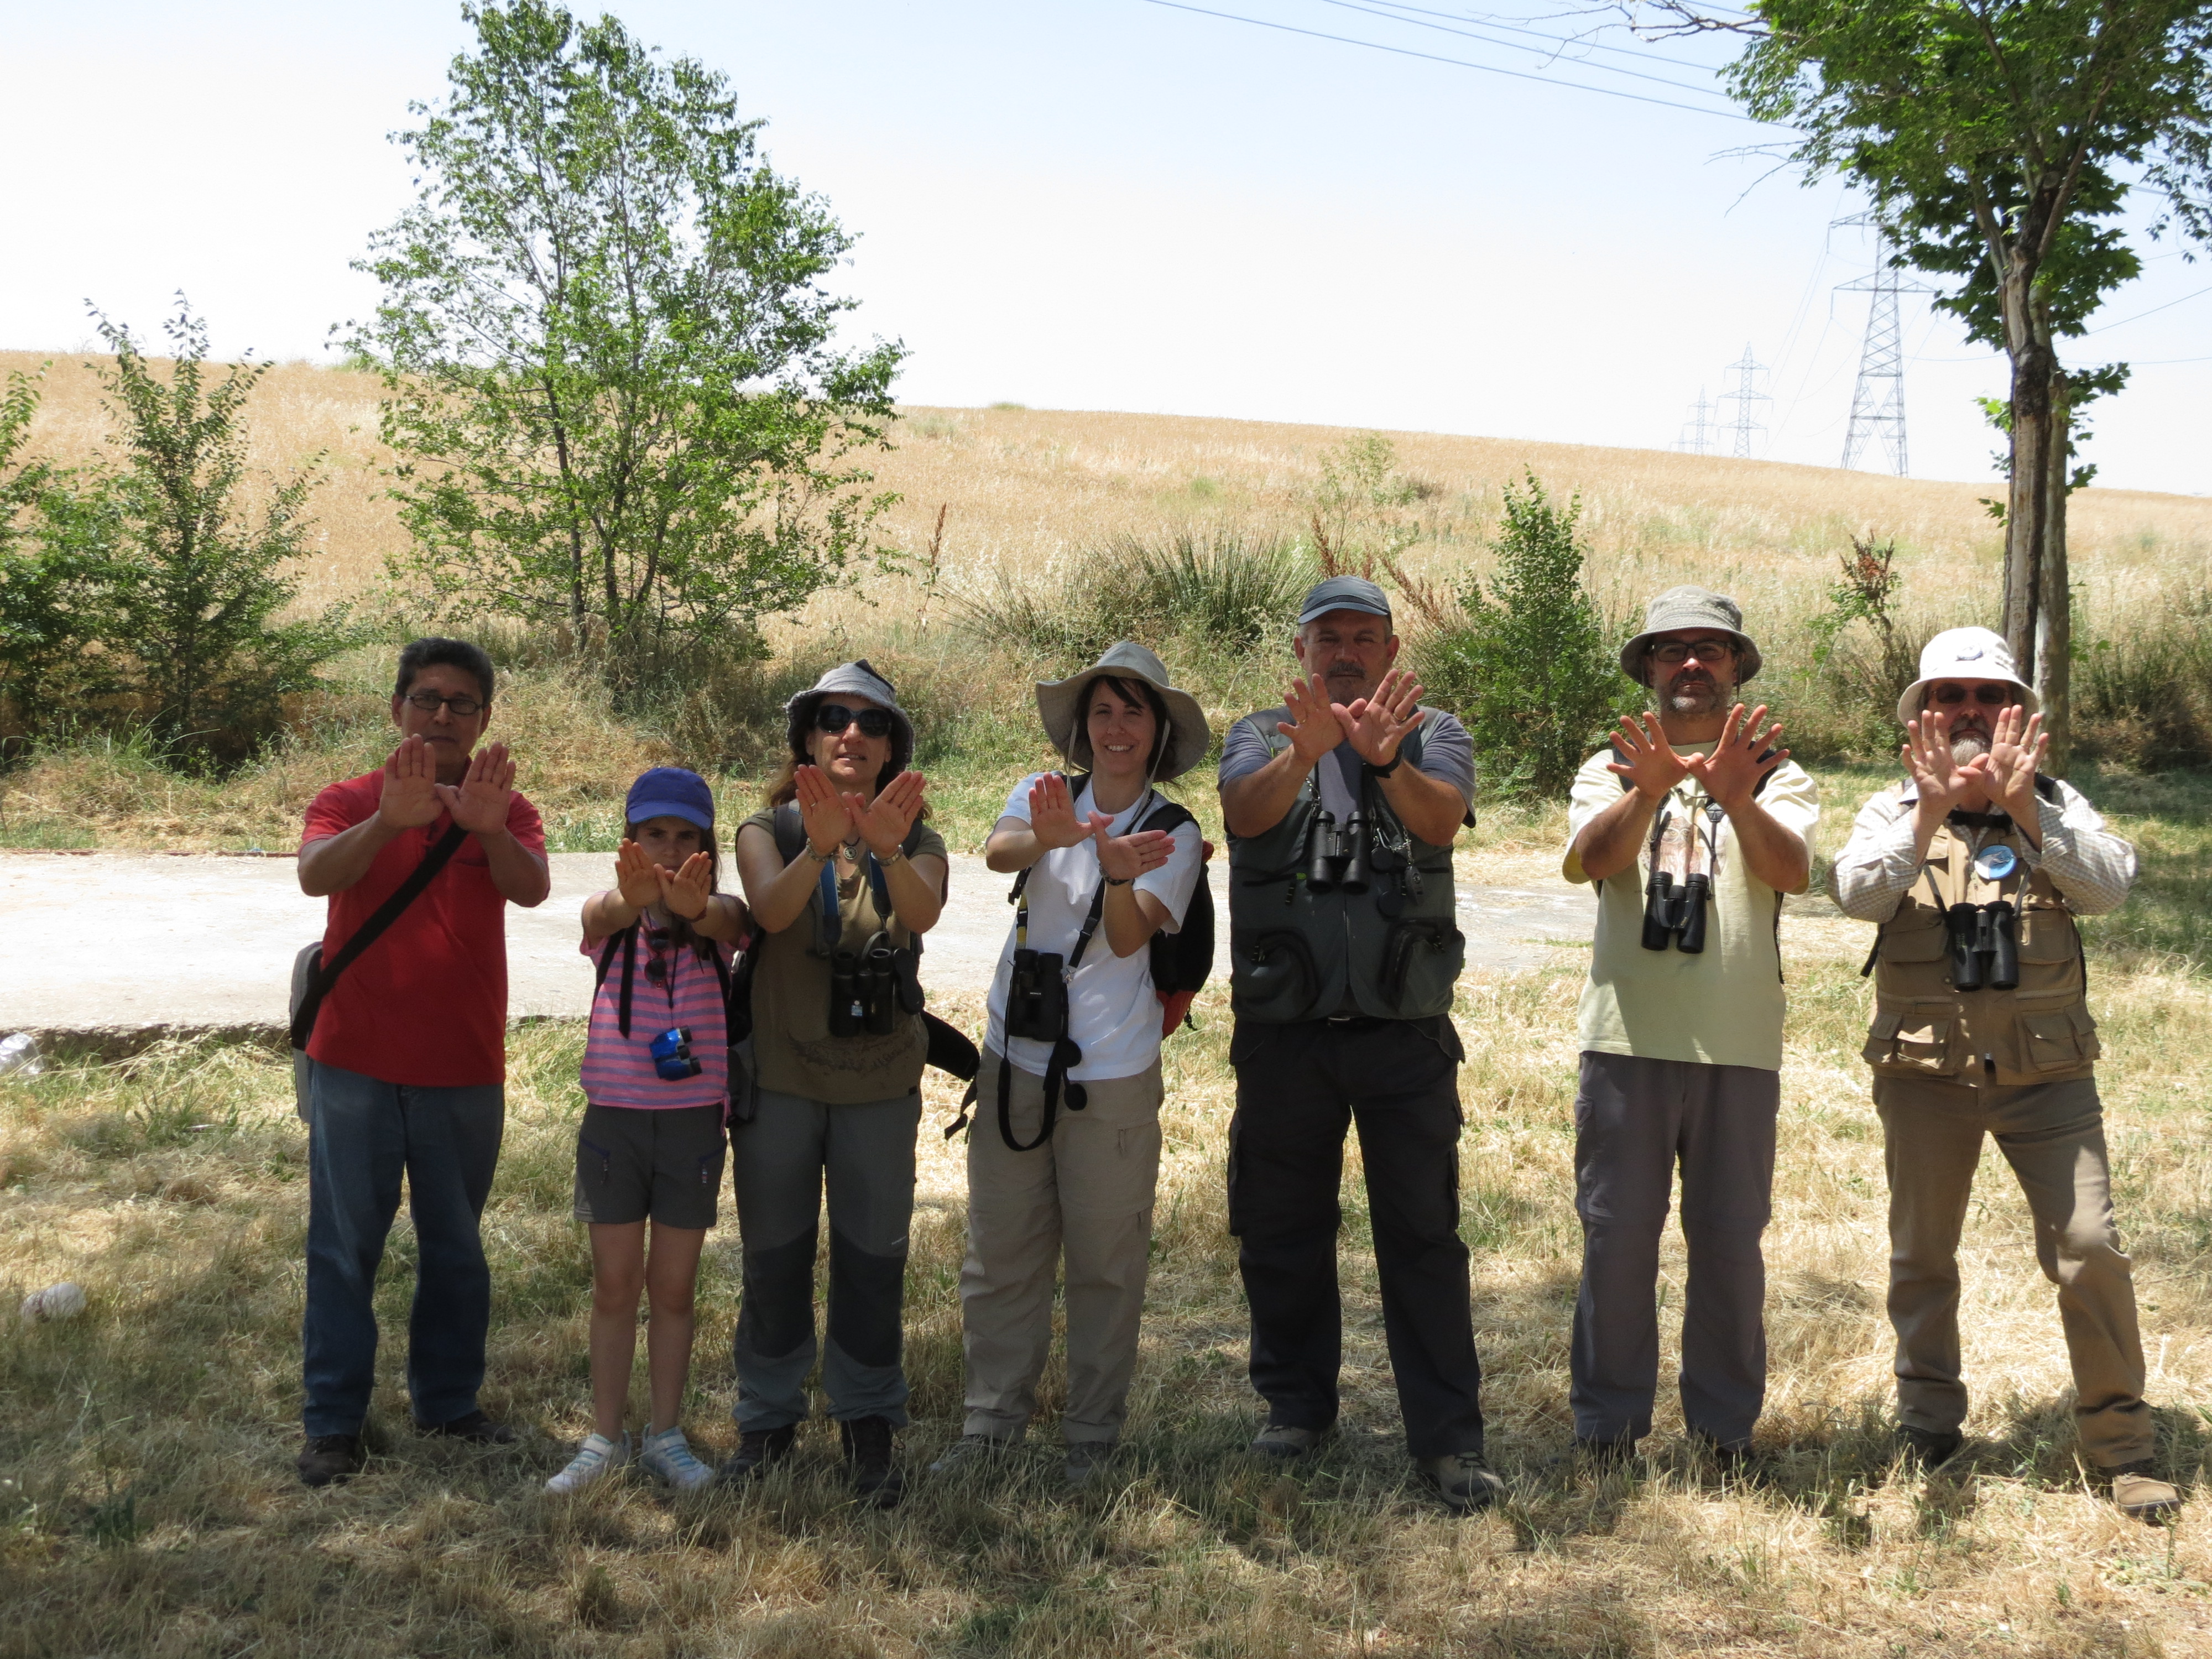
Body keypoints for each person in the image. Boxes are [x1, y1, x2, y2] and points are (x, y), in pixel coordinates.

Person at [1828, 627, 2180, 1520]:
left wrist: (2029, 814)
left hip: (2049, 1076)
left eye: (1989, 698)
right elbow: (1855, 894)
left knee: (2091, 1250)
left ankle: (2122, 1447)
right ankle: (1929, 1422)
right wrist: (1928, 816)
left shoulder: (2060, 803)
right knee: (1922, 1255)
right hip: (1925, 1075)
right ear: (1924, 715)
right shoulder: (1891, 807)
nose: (1970, 712)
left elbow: (2109, 887)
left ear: (2017, 713)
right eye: (1950, 696)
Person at [1217, 575, 1496, 1512]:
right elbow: (1246, 817)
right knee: (1282, 1232)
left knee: (1423, 1236)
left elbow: (1438, 821)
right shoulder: (1261, 734)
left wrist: (1381, 762)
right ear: (1301, 651)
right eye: (1326, 637)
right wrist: (1306, 756)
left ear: (1389, 649)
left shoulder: (1435, 732)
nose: (1344, 652)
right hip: (1286, 1030)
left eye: (1362, 638)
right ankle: (1295, 1413)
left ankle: (1448, 1441)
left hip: (1403, 1028)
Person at [932, 643, 1209, 1488]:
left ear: (1158, 730)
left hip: (1112, 1078)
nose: (1117, 727)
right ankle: (989, 1427)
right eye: (1102, 711)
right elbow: (1000, 850)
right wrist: (1049, 836)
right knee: (1000, 1253)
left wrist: (1119, 875)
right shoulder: (1043, 796)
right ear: (1081, 731)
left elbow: (1129, 937)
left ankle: (1091, 1440)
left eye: (1133, 711)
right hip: (1013, 1057)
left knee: (1104, 1263)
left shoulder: (1176, 831)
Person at [1560, 587, 1815, 1470]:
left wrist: (1740, 799)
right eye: (1674, 651)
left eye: (1712, 650)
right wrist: (1652, 791)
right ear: (1650, 670)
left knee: (1730, 1244)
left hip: (1737, 1043)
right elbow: (1593, 862)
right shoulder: (1613, 764)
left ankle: (1725, 1433)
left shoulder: (1779, 771)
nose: (1693, 665)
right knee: (1617, 1241)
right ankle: (1606, 1431)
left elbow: (1790, 874)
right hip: (1628, 1040)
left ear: (1738, 669)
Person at [294, 637, 552, 1489]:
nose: (443, 715)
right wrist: (387, 823)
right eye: (427, 699)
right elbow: (314, 875)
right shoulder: (350, 797)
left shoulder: (502, 805)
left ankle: (448, 1405)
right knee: (342, 1249)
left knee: (456, 1247)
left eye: (461, 704)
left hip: (463, 1066)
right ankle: (333, 1424)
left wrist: (485, 829)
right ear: (397, 708)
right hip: (354, 1063)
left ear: (484, 720)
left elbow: (531, 888)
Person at [724, 661, 948, 1507]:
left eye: (870, 722)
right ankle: (768, 1420)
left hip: (880, 1082)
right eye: (832, 719)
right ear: (807, 740)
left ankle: (867, 1423)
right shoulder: (768, 830)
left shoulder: (919, 838)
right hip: (781, 1078)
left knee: (872, 1259)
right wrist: (819, 844)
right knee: (773, 1256)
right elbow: (773, 913)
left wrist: (882, 844)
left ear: (894, 748)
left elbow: (920, 913)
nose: (850, 733)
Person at [545, 768, 750, 1495]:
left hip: (692, 1127)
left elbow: (732, 920)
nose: (669, 850)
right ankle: (603, 1437)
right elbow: (595, 916)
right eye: (654, 835)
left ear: (707, 845)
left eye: (685, 836)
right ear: (630, 843)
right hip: (616, 1127)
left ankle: (665, 1435)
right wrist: (628, 901)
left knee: (673, 1289)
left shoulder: (713, 924)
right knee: (613, 1286)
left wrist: (698, 911)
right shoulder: (616, 922)